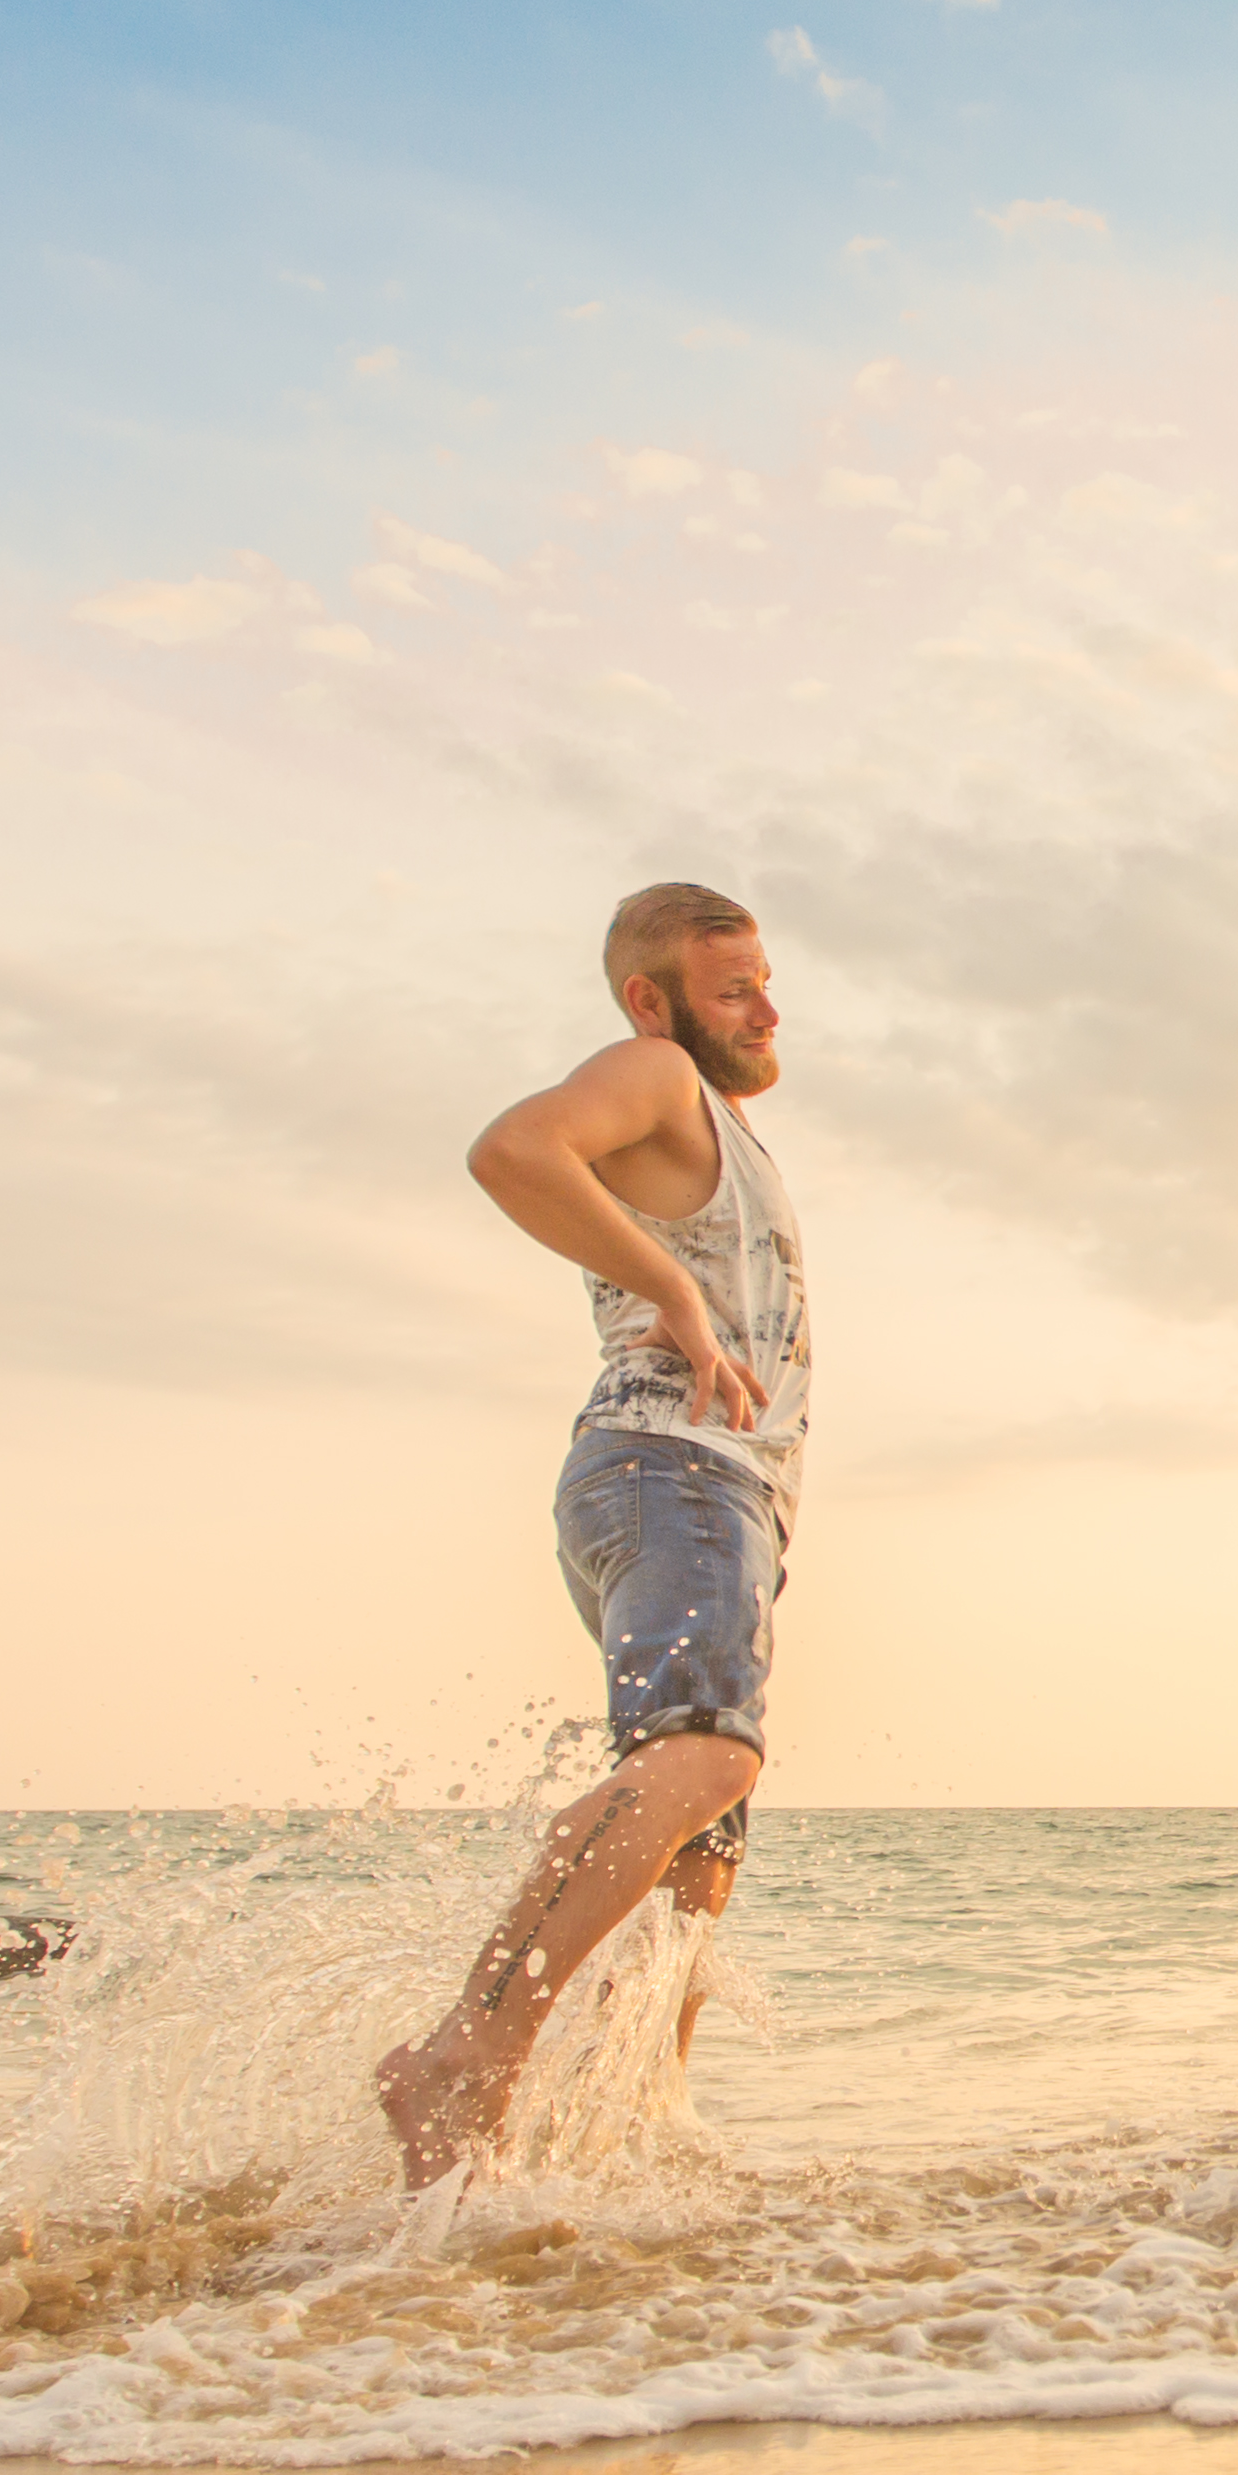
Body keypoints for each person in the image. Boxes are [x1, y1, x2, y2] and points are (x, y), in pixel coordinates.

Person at [378, 883, 813, 2186]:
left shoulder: (715, 1132)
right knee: (703, 1762)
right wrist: (672, 1288)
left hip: (701, 1490)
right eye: (731, 986)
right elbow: (513, 1150)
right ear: (652, 998)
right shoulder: (655, 1074)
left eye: (763, 981)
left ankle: (632, 2139)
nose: (763, 1007)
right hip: (670, 1467)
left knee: (698, 1856)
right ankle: (468, 2053)